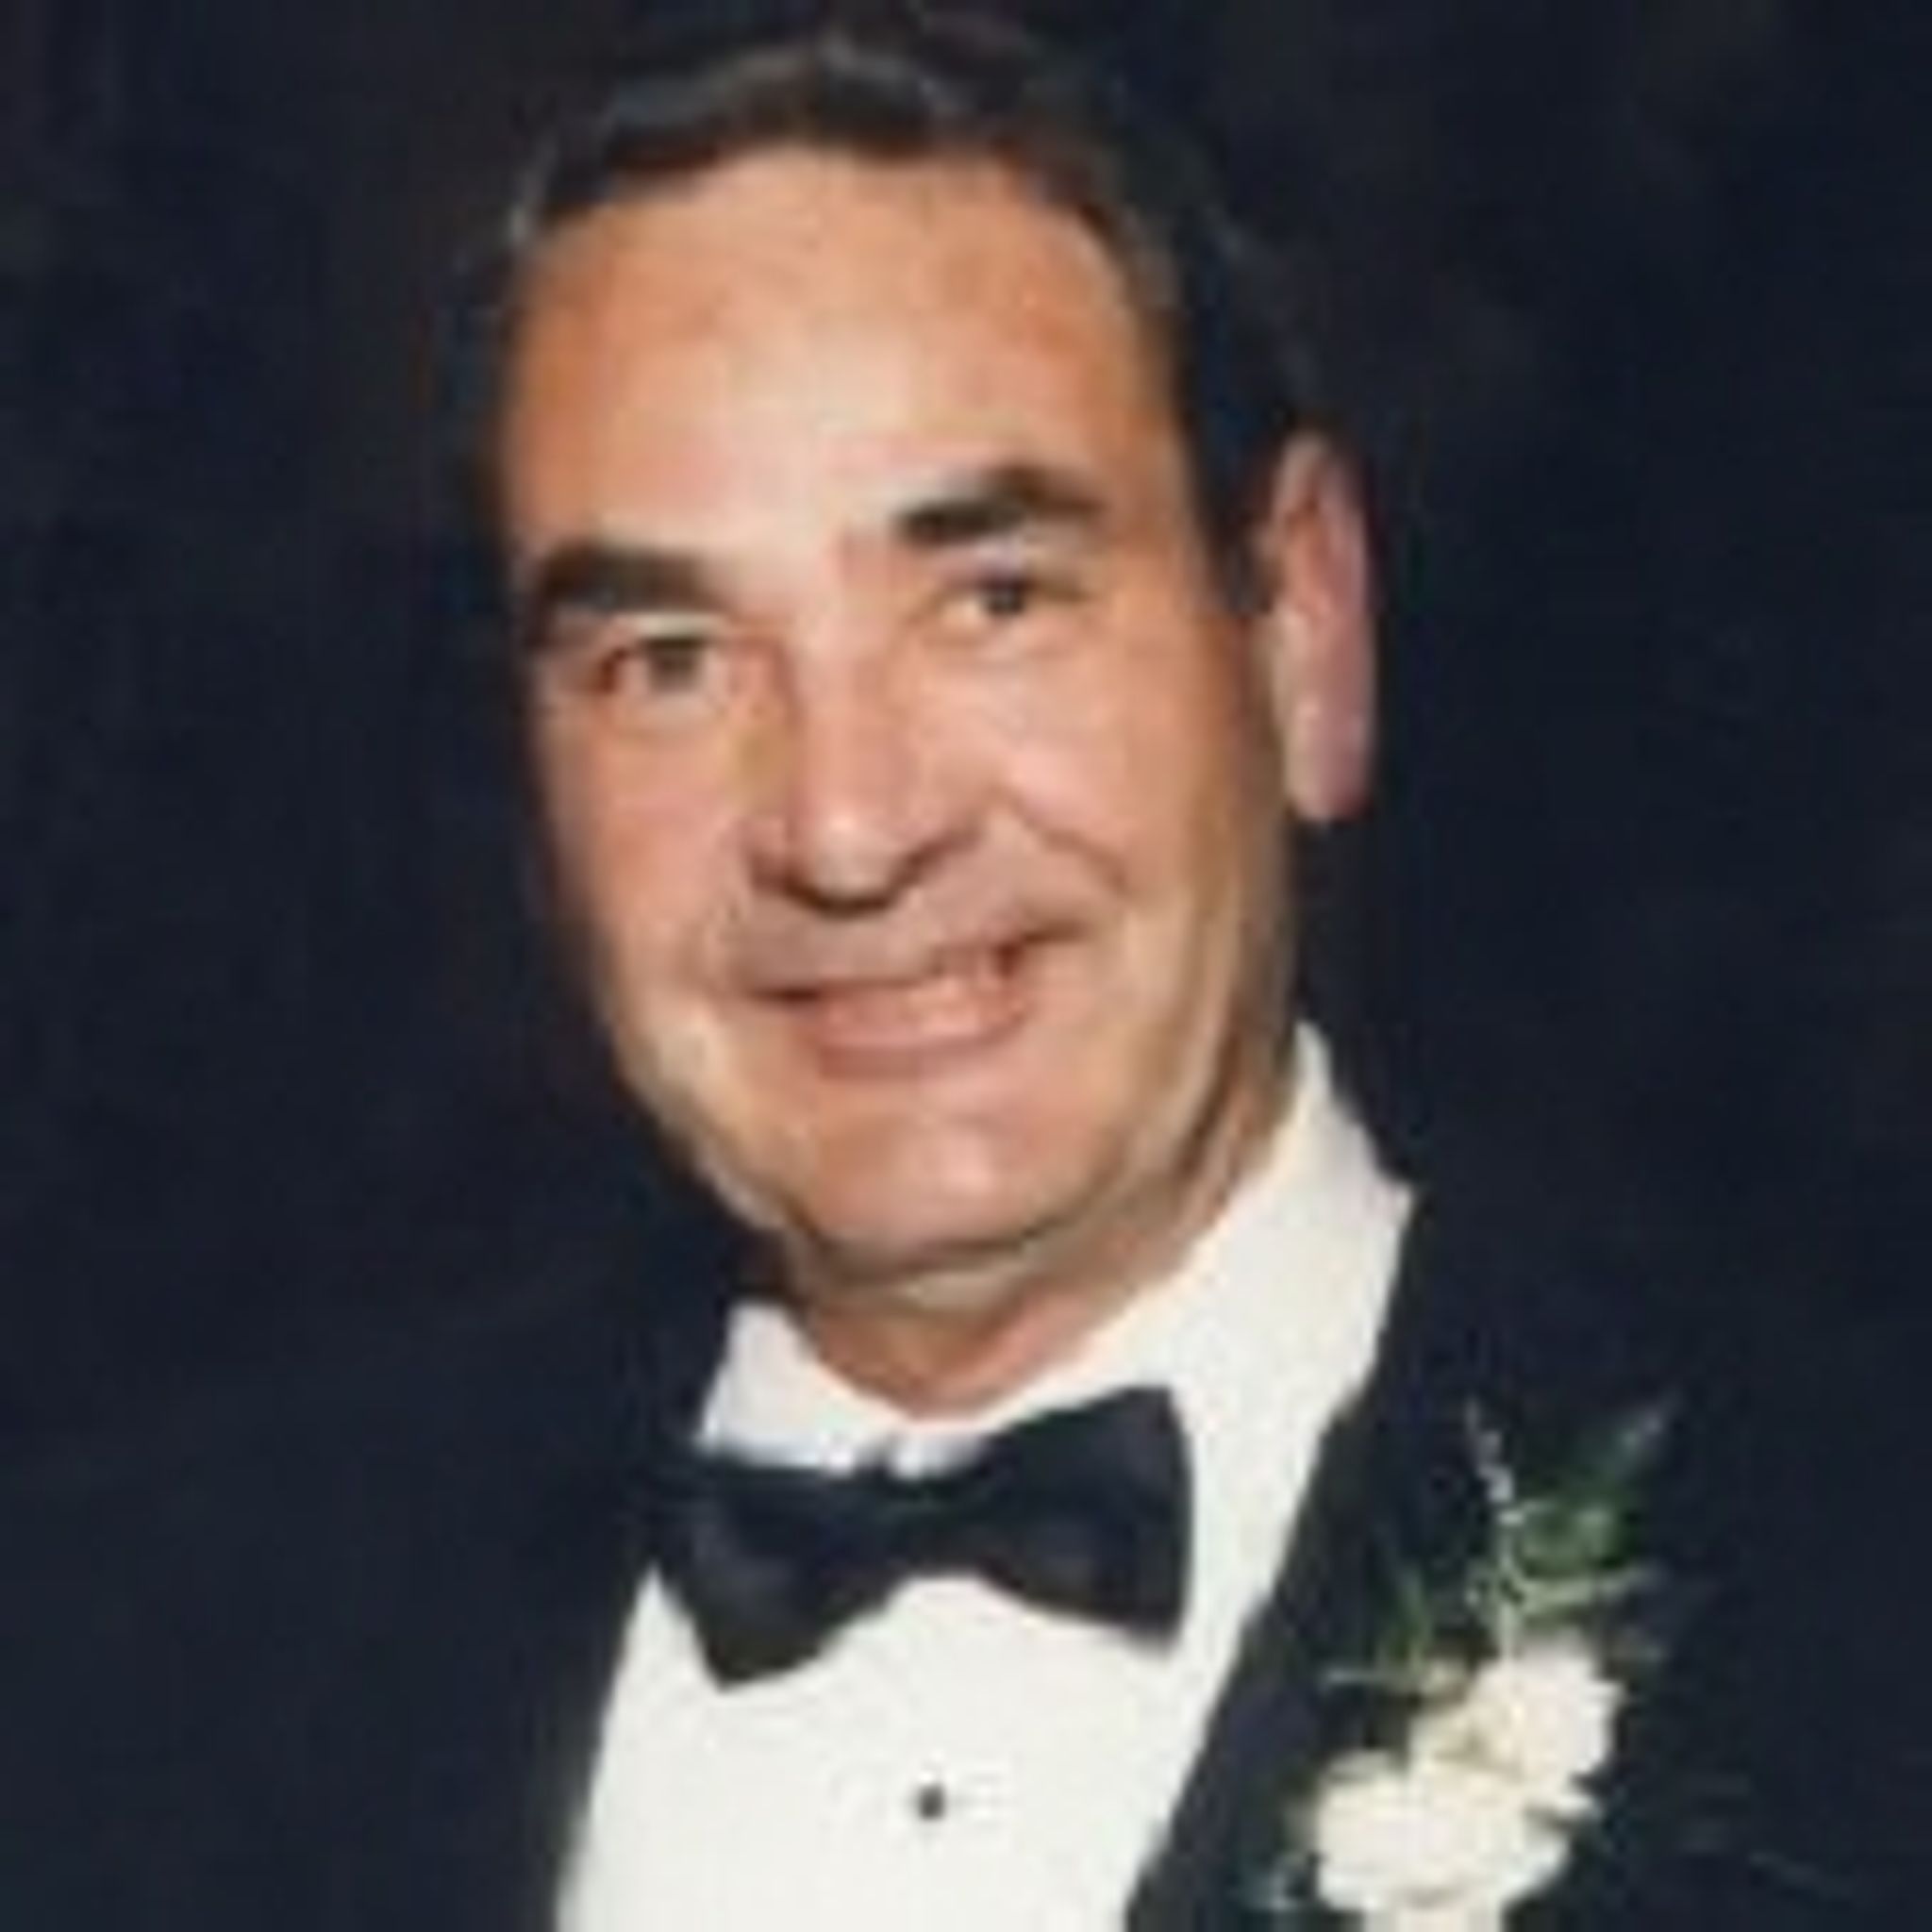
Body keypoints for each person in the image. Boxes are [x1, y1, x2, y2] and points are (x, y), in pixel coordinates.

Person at [0, 8, 1923, 1928]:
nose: (846, 829)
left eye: (991, 598)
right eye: (667, 661)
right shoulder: (112, 1668)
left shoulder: (1856, 1607)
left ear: (1299, 633)